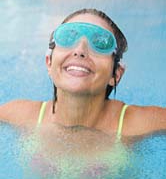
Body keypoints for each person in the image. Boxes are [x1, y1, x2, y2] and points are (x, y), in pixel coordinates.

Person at [0, 8, 166, 142]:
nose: (80, 51)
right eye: (68, 37)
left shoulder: (139, 124)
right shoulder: (18, 115)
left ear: (115, 74)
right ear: (49, 62)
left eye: (100, 43)